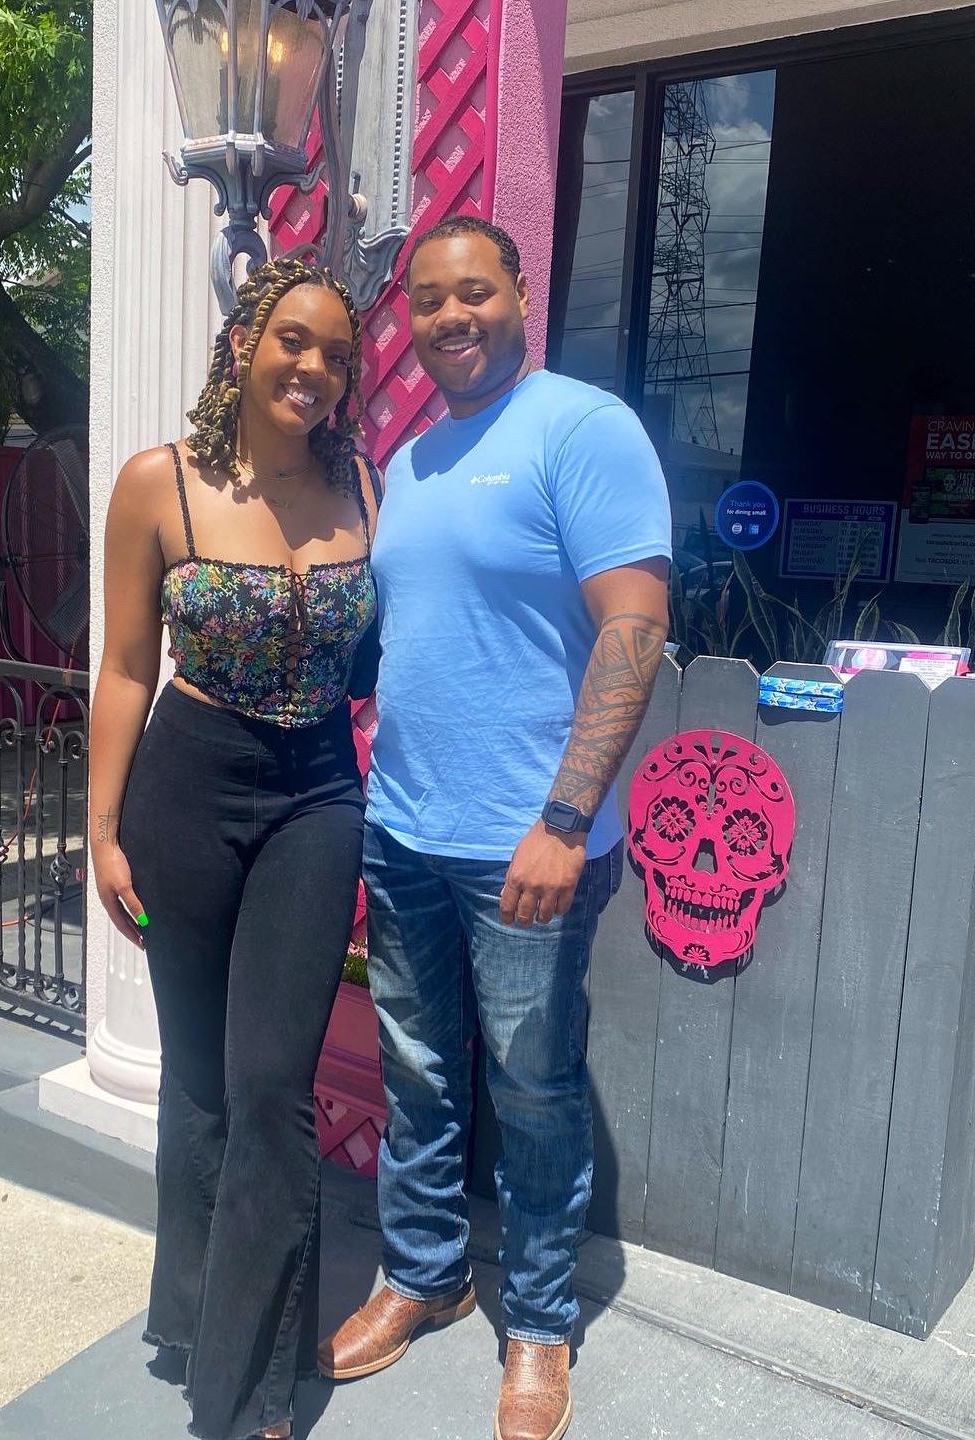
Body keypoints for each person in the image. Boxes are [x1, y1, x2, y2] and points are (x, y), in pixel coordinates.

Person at [318, 216, 673, 1440]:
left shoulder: (582, 429)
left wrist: (565, 821)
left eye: (474, 291)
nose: (450, 317)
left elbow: (634, 627)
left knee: (532, 1087)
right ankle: (425, 1275)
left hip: (530, 843)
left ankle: (539, 1324)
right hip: (406, 828)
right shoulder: (411, 461)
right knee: (418, 1070)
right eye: (428, 300)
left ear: (520, 292)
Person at [89, 256, 381, 1440]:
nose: (314, 368)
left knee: (270, 1088)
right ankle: (188, 1312)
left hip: (318, 794)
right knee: (199, 1082)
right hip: (186, 787)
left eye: (337, 355)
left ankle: (249, 1386)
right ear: (243, 345)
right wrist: (102, 827)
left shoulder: (365, 486)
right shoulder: (157, 483)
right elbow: (124, 666)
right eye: (293, 341)